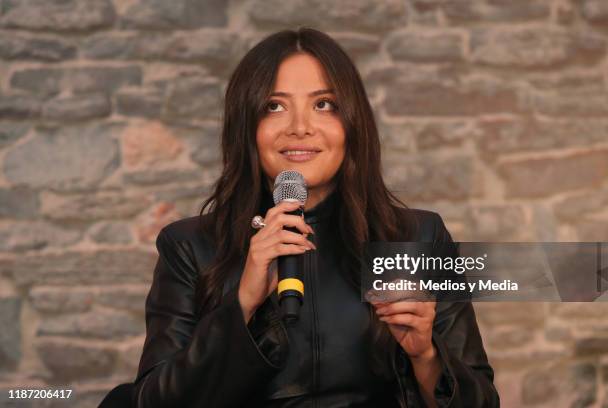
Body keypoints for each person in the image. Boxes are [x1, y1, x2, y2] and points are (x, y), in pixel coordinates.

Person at [131, 27, 499, 408]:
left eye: (323, 104)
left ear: (352, 124)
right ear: (247, 127)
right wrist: (242, 303)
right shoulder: (191, 246)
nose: (300, 127)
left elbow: (484, 402)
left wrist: (426, 356)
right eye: (274, 106)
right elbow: (151, 401)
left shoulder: (416, 236)